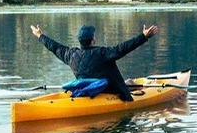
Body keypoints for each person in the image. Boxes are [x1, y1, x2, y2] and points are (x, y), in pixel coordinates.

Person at [30, 23, 158, 102]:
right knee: (129, 83)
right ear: (93, 40)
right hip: (110, 92)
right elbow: (123, 48)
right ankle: (144, 87)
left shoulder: (70, 54)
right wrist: (143, 37)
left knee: (129, 82)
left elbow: (55, 47)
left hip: (87, 91)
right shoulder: (102, 53)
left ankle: (134, 85)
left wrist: (40, 35)